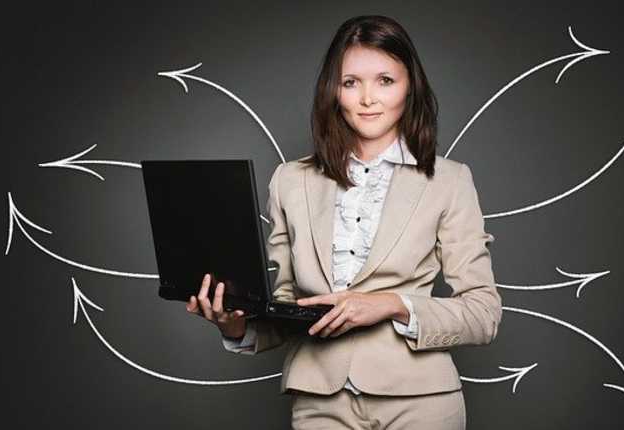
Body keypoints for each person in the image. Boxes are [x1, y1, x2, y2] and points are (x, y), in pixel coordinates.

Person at [186, 15, 502, 430]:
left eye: (385, 80)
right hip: (319, 399)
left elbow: (483, 313)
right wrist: (236, 324)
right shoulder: (290, 180)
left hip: (421, 400)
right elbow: (287, 307)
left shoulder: (449, 180)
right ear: (333, 91)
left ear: (411, 87)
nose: (368, 98)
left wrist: (391, 305)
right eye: (351, 82)